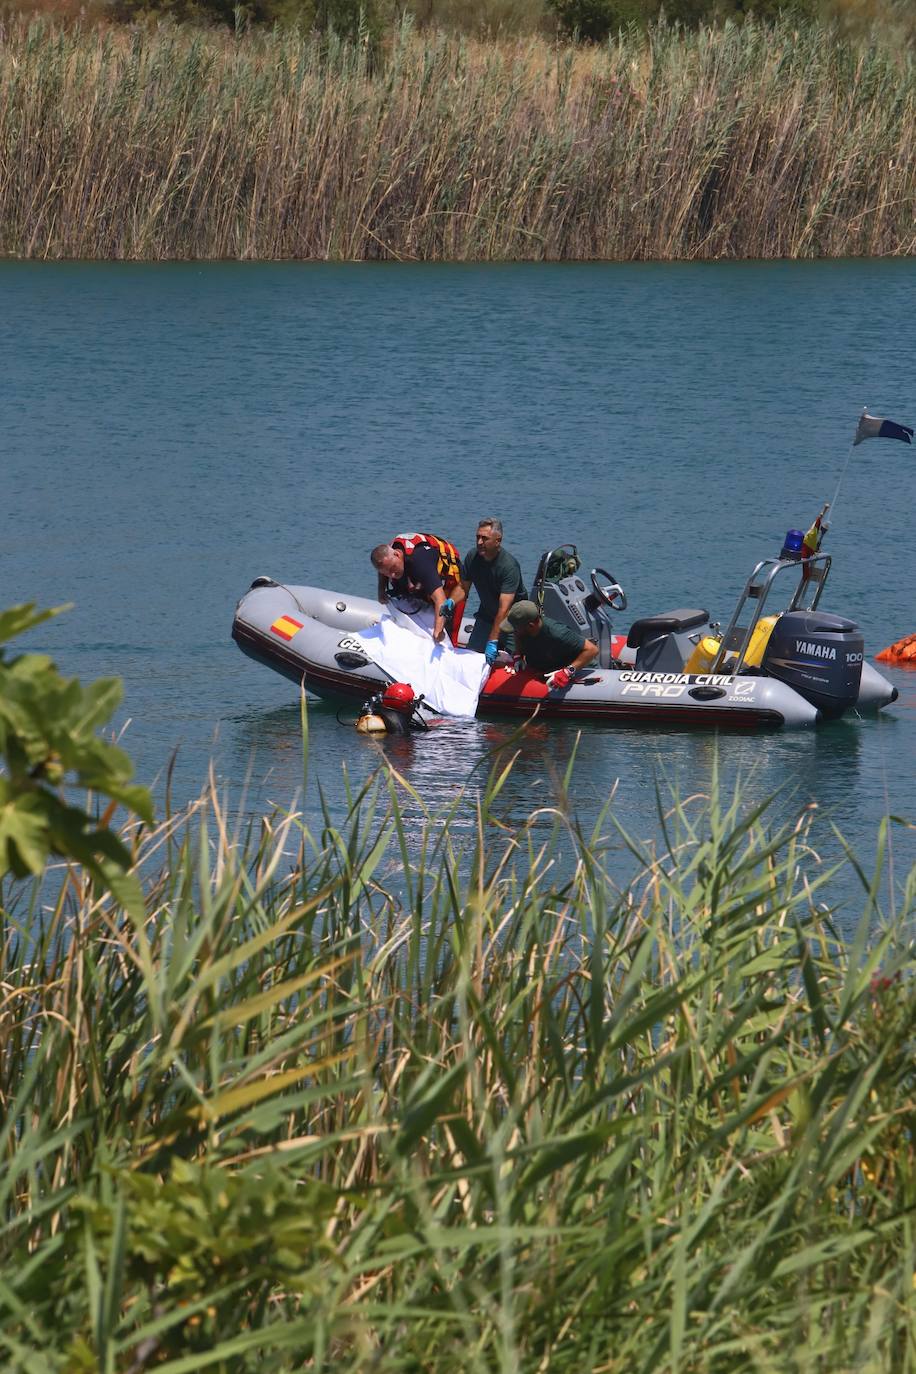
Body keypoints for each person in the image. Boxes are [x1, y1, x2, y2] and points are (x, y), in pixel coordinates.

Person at [370, 532, 463, 643]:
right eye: (387, 573)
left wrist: (438, 630)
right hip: (416, 575)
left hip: (450, 583)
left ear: (397, 555)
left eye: (393, 568)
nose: (392, 575)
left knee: (445, 631)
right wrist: (381, 591)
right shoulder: (388, 560)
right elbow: (384, 568)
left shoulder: (420, 563)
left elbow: (440, 600)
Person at [458, 518, 528, 665]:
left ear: (498, 541)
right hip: (486, 616)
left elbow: (504, 609)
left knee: (514, 664)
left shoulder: (509, 566)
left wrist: (492, 641)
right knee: (471, 658)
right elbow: (462, 589)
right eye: (477, 537)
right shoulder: (473, 557)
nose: (479, 542)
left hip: (512, 621)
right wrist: (450, 601)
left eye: (484, 538)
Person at [502, 600, 598, 689]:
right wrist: (518, 656)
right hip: (548, 665)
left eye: (516, 628)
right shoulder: (522, 631)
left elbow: (592, 650)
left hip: (578, 668)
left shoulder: (558, 633)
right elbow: (517, 636)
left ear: (530, 626)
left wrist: (567, 671)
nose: (514, 632)